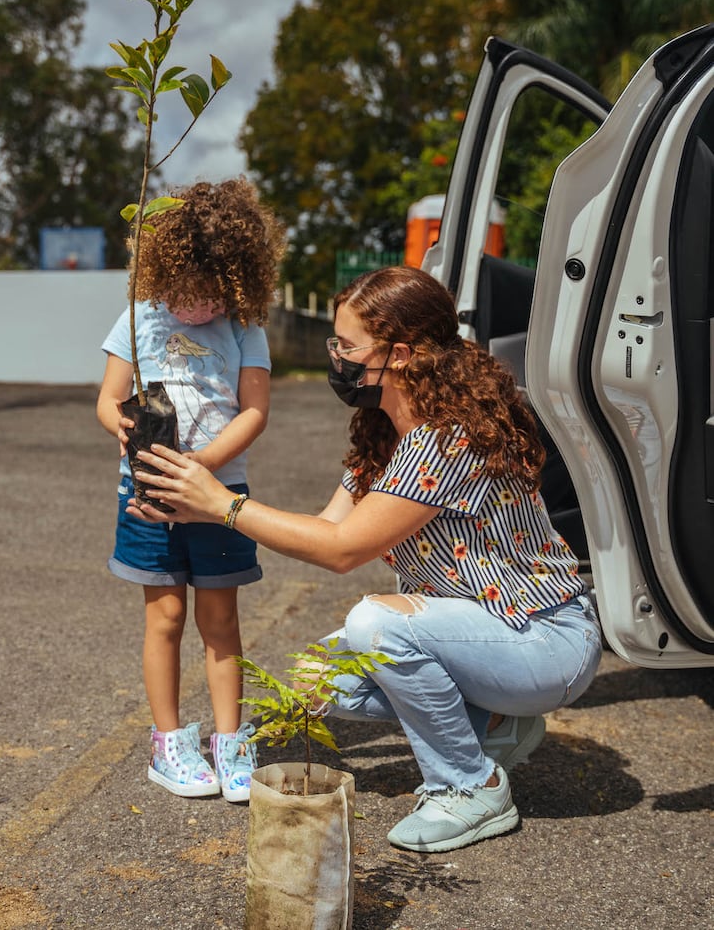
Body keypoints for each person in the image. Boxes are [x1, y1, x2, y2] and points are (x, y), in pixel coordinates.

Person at [126, 265, 602, 849]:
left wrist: (222, 505)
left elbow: (344, 550)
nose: (336, 357)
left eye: (347, 346)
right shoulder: (384, 429)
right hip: (478, 630)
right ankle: (498, 720)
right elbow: (326, 526)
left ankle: (470, 788)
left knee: (377, 625)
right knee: (323, 677)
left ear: (399, 353)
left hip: (543, 639)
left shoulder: (445, 438)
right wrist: (196, 509)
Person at [96, 178, 286, 803]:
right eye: (182, 292)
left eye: (209, 296)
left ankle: (231, 743)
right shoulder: (136, 316)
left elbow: (254, 413)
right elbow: (105, 400)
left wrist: (200, 467)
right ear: (160, 271)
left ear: (236, 282)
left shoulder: (244, 327)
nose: (194, 306)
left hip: (216, 493)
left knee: (221, 620)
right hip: (148, 492)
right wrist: (122, 425)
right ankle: (170, 743)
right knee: (166, 617)